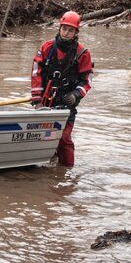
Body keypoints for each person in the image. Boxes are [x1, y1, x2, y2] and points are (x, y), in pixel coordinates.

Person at [30, 11, 93, 167]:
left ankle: (66, 171)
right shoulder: (47, 47)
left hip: (67, 103)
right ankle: (45, 166)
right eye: (64, 28)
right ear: (59, 28)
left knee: (64, 138)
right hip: (45, 101)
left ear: (76, 32)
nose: (66, 32)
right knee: (43, 137)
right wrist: (37, 99)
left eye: (70, 30)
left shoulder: (82, 53)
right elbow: (36, 72)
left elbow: (87, 80)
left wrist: (76, 94)